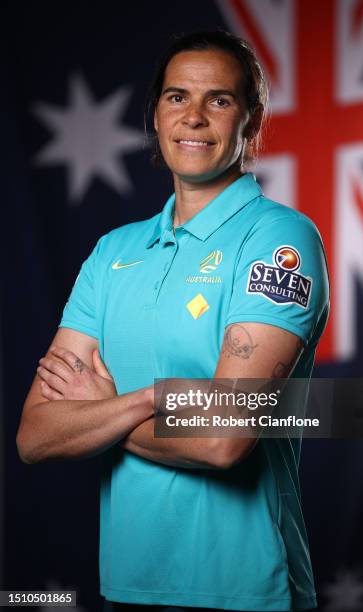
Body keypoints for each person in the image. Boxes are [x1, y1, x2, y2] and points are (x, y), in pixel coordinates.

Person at [17, 31, 329, 612]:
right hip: (128, 586)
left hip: (246, 591)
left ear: (251, 122)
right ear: (155, 115)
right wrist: (149, 403)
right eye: (176, 97)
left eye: (219, 100)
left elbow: (223, 438)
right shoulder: (113, 252)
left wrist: (106, 406)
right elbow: (36, 436)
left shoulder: (280, 238)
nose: (194, 117)